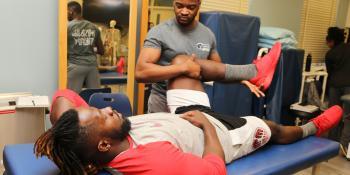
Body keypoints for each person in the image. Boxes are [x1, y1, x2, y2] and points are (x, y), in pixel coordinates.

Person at [37, 62, 342, 174]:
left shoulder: (94, 138)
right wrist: (209, 126)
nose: (107, 109)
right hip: (223, 134)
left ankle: (254, 72)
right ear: (103, 145)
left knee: (184, 67)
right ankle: (311, 128)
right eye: (102, 116)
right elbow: (213, 170)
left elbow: (64, 93)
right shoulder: (153, 163)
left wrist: (57, 139)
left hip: (181, 117)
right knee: (273, 129)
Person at [135, 0, 281, 113]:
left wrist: (241, 78)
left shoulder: (207, 34)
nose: (184, 11)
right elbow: (141, 72)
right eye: (179, 6)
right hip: (162, 100)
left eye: (191, 7)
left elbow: (216, 70)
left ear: (199, 4)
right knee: (163, 147)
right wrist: (182, 68)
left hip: (191, 100)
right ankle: (254, 70)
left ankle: (252, 72)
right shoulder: (159, 32)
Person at [67, 1, 104, 93]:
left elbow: (64, 50)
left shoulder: (68, 27)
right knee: (95, 99)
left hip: (75, 66)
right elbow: (102, 51)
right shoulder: (94, 27)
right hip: (92, 67)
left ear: (71, 11)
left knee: (72, 99)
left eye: (67, 11)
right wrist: (88, 46)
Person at [325, 27, 350, 154]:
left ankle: (331, 143)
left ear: (332, 41)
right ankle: (344, 146)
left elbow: (330, 72)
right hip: (349, 86)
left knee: (333, 113)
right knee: (348, 116)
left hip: (335, 85)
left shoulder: (330, 54)